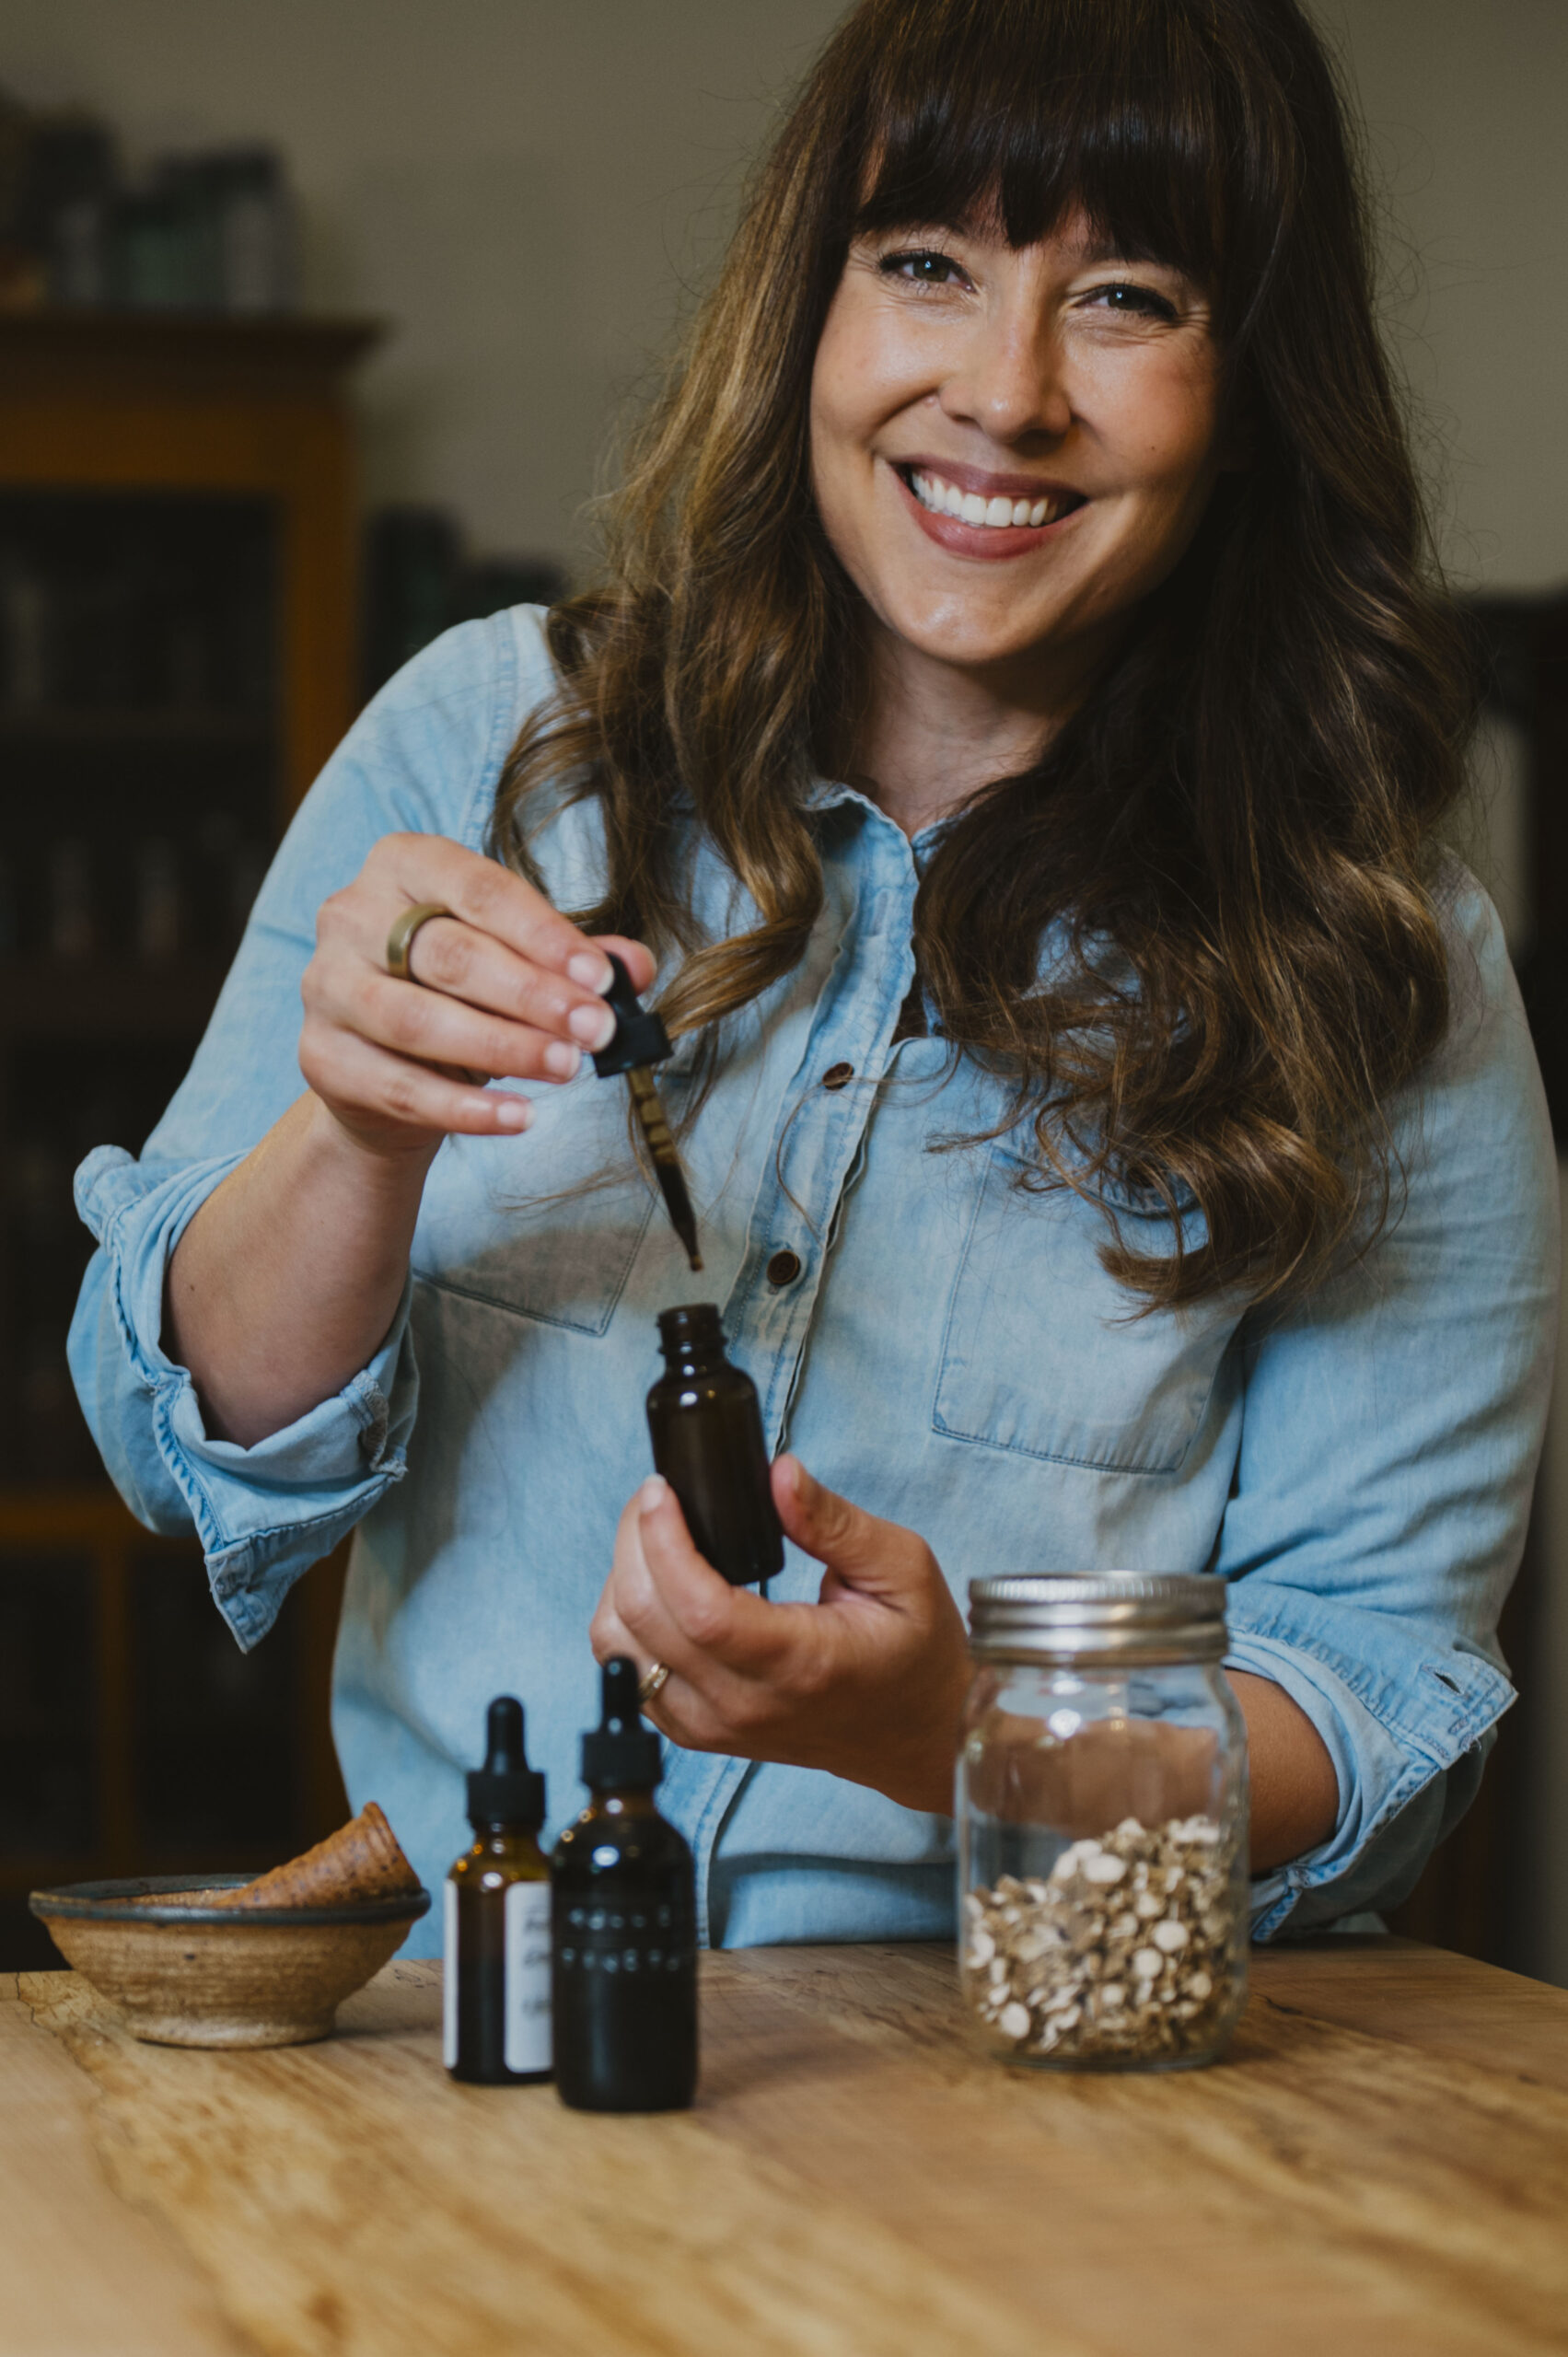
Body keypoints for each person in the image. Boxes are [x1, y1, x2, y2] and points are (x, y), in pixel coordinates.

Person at [70, 0, 1558, 1957]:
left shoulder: (1385, 962)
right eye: (927, 264)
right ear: (810, 311)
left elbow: (1371, 1706)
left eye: (1123, 296)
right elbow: (180, 1443)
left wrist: (969, 1732)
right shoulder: (495, 745)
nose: (1004, 390)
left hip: (1026, 2128)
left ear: (1257, 380)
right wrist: (353, 1127)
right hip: (473, 2072)